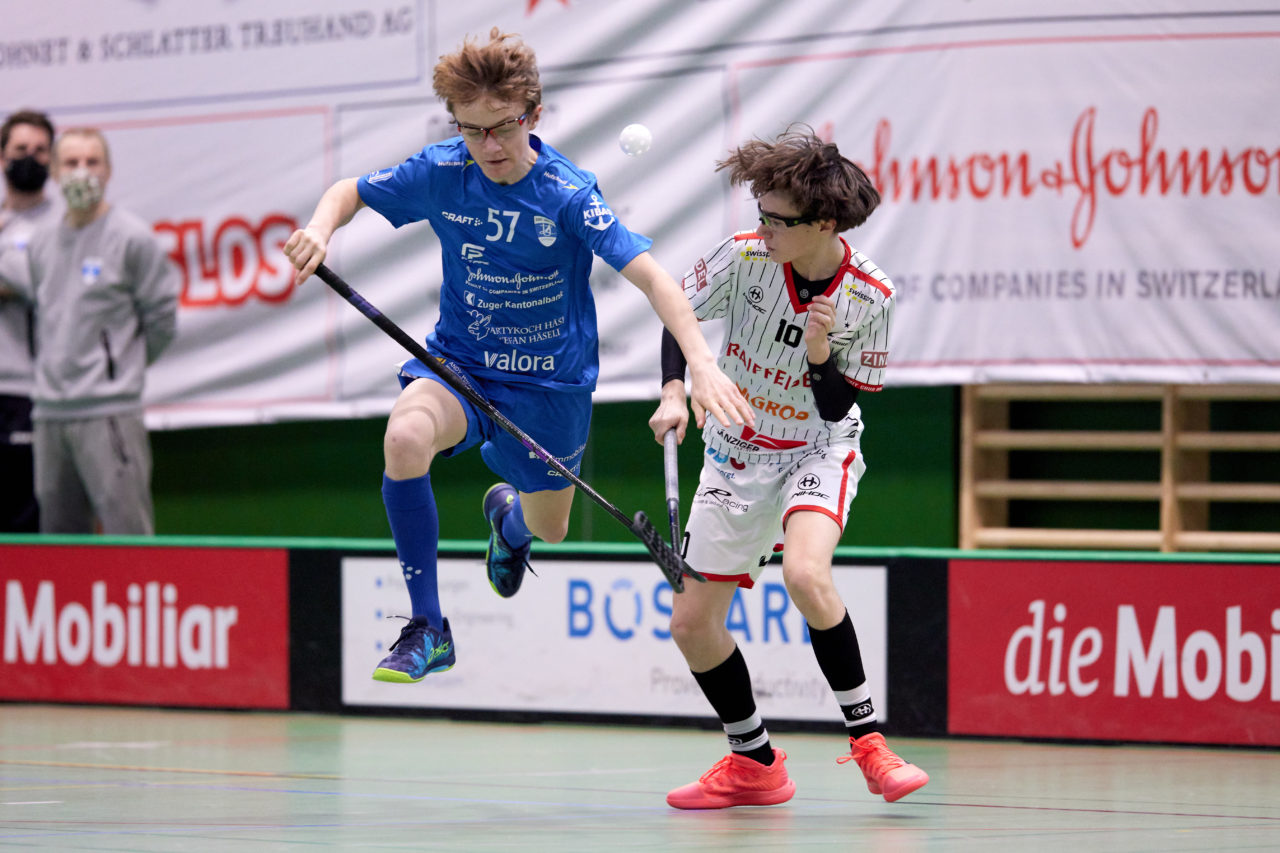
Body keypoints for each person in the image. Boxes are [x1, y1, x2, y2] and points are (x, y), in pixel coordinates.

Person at [282, 28, 753, 684]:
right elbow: (348, 191)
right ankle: (428, 625)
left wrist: (698, 361)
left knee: (550, 527)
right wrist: (318, 230)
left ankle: (508, 518)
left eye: (503, 127)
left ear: (533, 114)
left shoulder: (566, 193)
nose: (490, 147)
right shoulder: (445, 171)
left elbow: (652, 277)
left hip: (548, 389)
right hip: (460, 366)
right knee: (405, 435)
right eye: (472, 130)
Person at [647, 127, 928, 809]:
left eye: (778, 220)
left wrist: (821, 349)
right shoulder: (745, 259)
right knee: (690, 624)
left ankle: (870, 745)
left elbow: (836, 410)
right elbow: (677, 314)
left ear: (824, 223)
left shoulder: (870, 293)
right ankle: (754, 761)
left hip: (816, 447)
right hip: (737, 451)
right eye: (761, 214)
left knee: (806, 572)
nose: (763, 228)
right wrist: (675, 389)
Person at [0, 127, 179, 534]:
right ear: (57, 173)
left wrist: (119, 371)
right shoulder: (43, 242)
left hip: (109, 414)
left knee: (127, 537)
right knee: (59, 550)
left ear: (109, 170)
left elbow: (162, 323)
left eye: (91, 162)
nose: (82, 173)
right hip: (48, 416)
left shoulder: (133, 239)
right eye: (72, 163)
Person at [0, 109, 60, 532]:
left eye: (40, 151)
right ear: (2, 157)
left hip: (35, 392)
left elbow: (41, 283)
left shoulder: (66, 225)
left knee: (32, 520)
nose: (30, 158)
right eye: (21, 149)